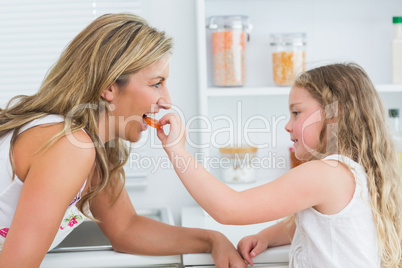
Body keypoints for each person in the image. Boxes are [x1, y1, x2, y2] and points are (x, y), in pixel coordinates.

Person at [0, 13, 247, 268]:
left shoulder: (91, 148)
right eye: (156, 84)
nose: (167, 101)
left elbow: (126, 229)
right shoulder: (68, 146)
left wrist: (212, 240)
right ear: (109, 87)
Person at [157, 63, 402, 267]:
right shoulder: (355, 172)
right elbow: (312, 222)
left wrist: (176, 149)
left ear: (332, 116)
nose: (287, 125)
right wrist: (266, 237)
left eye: (296, 113)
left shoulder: (325, 174)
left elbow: (229, 208)